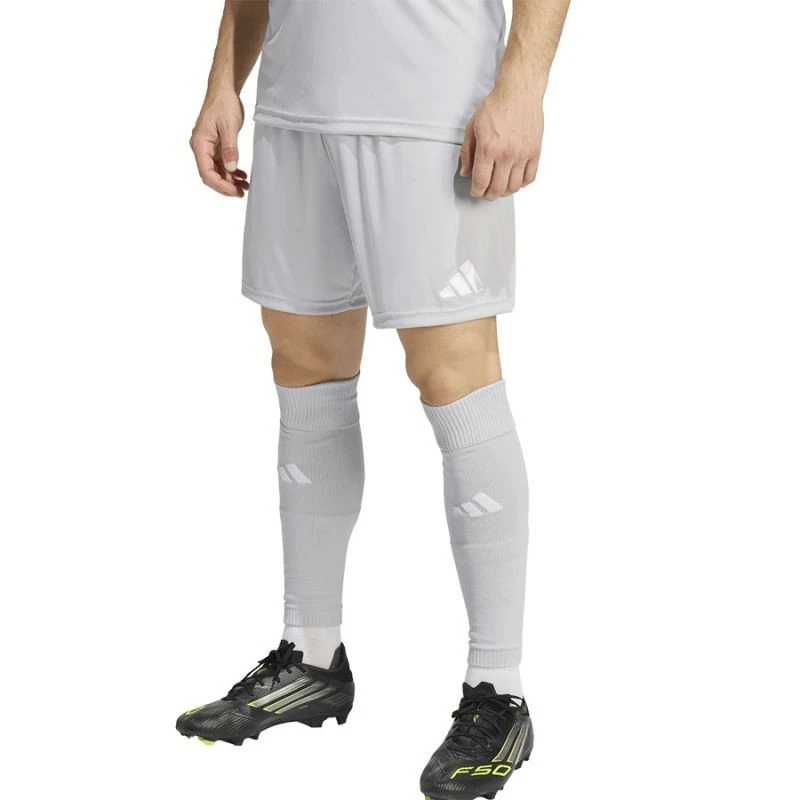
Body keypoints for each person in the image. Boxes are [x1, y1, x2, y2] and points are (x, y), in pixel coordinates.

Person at [176, 2, 570, 798]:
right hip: (297, 100)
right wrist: (224, 82)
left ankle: (500, 691)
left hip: (433, 103)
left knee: (456, 376)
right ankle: (312, 655)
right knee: (303, 363)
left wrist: (523, 86)